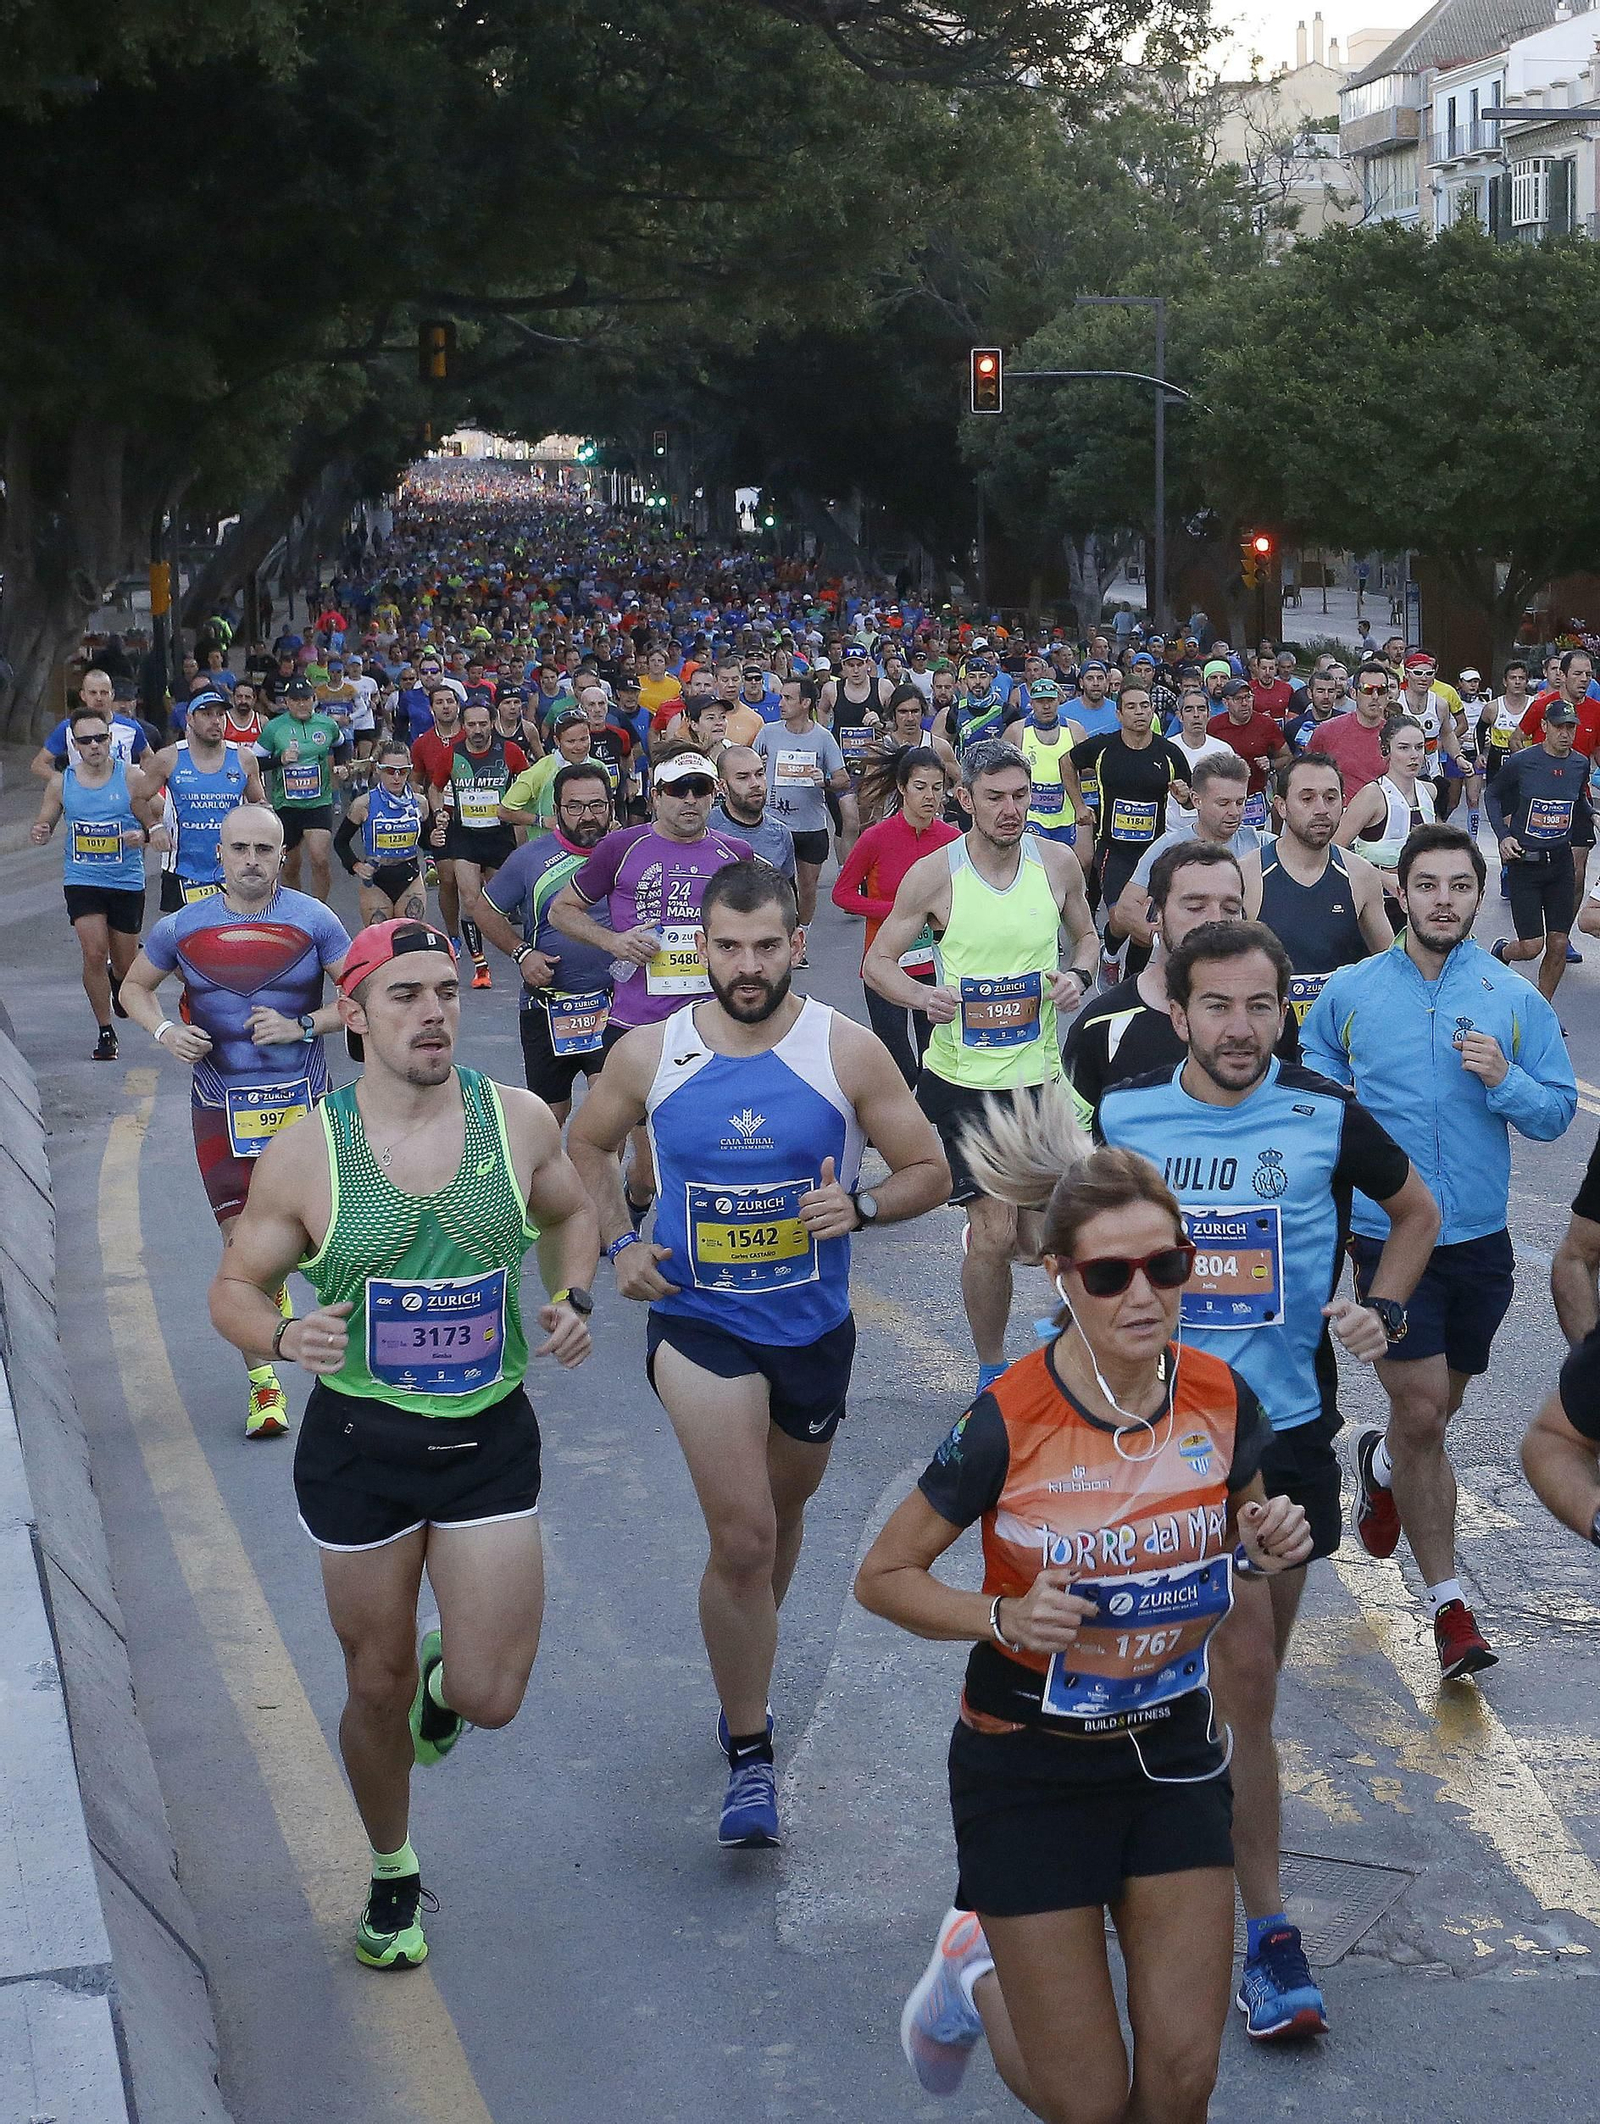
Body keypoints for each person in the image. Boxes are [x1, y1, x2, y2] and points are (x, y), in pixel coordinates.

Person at [855, 1113, 1310, 2117]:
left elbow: (1241, 1526)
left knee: (1182, 2084)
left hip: (1172, 1760)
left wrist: (1263, 1544)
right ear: (1061, 1279)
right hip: (1029, 1766)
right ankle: (972, 1972)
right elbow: (884, 1576)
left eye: (1165, 1266)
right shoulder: (1006, 1419)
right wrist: (1002, 1616)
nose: (1143, 1295)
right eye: (1110, 1277)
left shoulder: (1221, 1399)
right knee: (1094, 2107)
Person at [208, 919, 599, 1971]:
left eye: (444, 991)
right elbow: (234, 1290)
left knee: (490, 1697)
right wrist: (286, 1336)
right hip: (357, 1446)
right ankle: (391, 1870)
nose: (432, 1012)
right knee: (371, 1682)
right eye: (404, 996)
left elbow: (571, 1212)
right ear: (358, 1014)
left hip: (486, 1443)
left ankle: (448, 1689)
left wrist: (570, 1294)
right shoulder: (307, 1150)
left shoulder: (514, 1121)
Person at [1098, 921, 1437, 2039]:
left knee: (1248, 1684)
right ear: (1179, 1011)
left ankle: (1213, 1866)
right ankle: (1271, 1931)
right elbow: (1083, 1257)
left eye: (1259, 1008)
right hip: (1153, 1440)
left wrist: (1380, 1309)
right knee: (1231, 1673)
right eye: (1217, 1008)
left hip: (1280, 1437)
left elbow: (1416, 1212)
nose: (1240, 1030)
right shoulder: (1126, 1113)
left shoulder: (1321, 1114)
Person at [569, 862, 949, 1847]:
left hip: (813, 1331)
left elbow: (929, 1171)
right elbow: (584, 1149)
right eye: (726, 947)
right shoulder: (652, 1053)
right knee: (741, 1537)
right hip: (699, 1325)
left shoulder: (845, 1052)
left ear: (794, 942)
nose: (745, 967)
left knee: (777, 1526)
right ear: (703, 946)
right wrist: (619, 1246)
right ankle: (750, 1752)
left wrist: (857, 1205)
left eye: (765, 946)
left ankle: (749, 1662)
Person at [1301, 825, 1577, 1677]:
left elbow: (1556, 1112)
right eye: (1428, 886)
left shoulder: (1511, 997)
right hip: (1390, 1243)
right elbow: (1309, 1066)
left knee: (1434, 1414)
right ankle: (1450, 1608)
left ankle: (1380, 1466)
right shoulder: (1350, 992)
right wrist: (1338, 1107)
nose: (1445, 900)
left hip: (1481, 1247)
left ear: (1477, 894)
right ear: (1401, 895)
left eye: (1461, 886)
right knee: (1422, 1411)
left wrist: (1505, 1078)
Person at [862, 739, 1097, 1390]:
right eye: (994, 797)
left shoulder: (1056, 864)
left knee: (1048, 1238)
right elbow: (878, 963)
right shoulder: (935, 875)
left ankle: (1067, 1340)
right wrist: (923, 995)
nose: (1011, 809)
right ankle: (994, 1370)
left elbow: (1088, 934)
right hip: (964, 1085)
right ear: (965, 799)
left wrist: (1078, 974)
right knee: (994, 1234)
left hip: (1041, 1084)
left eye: (1021, 796)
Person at [119, 804, 351, 1437]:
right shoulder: (180, 926)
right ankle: (265, 1385)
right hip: (222, 1108)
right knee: (241, 1247)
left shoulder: (315, 920)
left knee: (332, 1242)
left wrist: (303, 1023)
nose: (252, 861)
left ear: (283, 854)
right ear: (219, 854)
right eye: (240, 849)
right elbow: (132, 989)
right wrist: (165, 1028)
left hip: (304, 1109)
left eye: (265, 849)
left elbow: (364, 999)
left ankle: (355, 1373)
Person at [548, 746, 754, 1224]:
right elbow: (562, 911)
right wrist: (614, 942)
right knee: (647, 1165)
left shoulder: (736, 854)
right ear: (655, 796)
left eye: (700, 789)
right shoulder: (621, 848)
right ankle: (637, 1200)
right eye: (677, 790)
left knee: (715, 1140)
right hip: (639, 1025)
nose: (689, 800)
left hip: (712, 1024)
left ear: (713, 795)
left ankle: (706, 1232)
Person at [477, 761, 618, 1124]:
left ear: (611, 807)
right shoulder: (529, 860)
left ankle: (601, 1183)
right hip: (547, 1008)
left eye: (597, 805)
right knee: (549, 1117)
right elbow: (485, 911)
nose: (587, 816)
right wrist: (521, 952)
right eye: (575, 807)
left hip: (615, 1007)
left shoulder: (628, 854)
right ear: (556, 811)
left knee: (607, 1114)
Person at [30, 701, 153, 1061]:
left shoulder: (131, 778)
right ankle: (105, 1031)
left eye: (100, 738)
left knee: (127, 964)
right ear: (75, 744)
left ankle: (120, 977)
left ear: (110, 738)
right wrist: (41, 829)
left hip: (126, 880)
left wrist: (143, 837)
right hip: (83, 879)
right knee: (93, 952)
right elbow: (46, 821)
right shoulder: (60, 782)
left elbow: (158, 820)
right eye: (86, 741)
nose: (94, 746)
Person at [831, 747, 961, 1086]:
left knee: (936, 1058)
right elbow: (841, 893)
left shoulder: (954, 841)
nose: (929, 796)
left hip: (935, 967)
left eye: (937, 787)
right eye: (920, 787)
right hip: (884, 964)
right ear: (902, 788)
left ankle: (929, 1131)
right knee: (898, 1063)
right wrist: (899, 913)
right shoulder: (876, 838)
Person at [1253, 753, 1389, 1022]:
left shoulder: (1360, 875)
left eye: (1330, 798)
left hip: (1338, 1043)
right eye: (1307, 798)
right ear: (1281, 806)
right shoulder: (1248, 875)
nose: (1321, 809)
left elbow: (1390, 965)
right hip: (1268, 1045)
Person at [1107, 752, 1260, 961]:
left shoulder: (1262, 843)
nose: (1234, 812)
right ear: (1197, 800)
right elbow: (1126, 908)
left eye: (1240, 802)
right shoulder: (1170, 846)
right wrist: (1169, 944)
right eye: (1223, 803)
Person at [1488, 698, 1592, 1001]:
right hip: (1525, 863)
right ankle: (1503, 950)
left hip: (1559, 863)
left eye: (1570, 728)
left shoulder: (1579, 763)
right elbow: (1493, 795)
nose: (1565, 734)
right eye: (1559, 727)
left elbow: (1579, 798)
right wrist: (1503, 836)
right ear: (1544, 727)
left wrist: (1592, 814)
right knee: (1531, 946)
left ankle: (1542, 1009)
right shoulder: (1523, 761)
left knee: (1558, 943)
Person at [135, 688, 266, 911]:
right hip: (182, 870)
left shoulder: (244, 758)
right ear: (189, 719)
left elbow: (258, 805)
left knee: (232, 940)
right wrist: (154, 827)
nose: (216, 721)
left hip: (232, 869)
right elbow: (138, 798)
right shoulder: (169, 758)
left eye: (220, 715)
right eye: (206, 714)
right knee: (182, 942)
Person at [430, 699, 529, 989]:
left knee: (500, 902)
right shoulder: (451, 755)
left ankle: (517, 951)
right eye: (471, 724)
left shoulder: (510, 752)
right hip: (465, 835)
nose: (477, 730)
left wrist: (519, 817)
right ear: (463, 725)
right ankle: (480, 965)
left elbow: (526, 783)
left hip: (499, 835)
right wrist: (439, 813)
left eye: (482, 724)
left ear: (492, 723)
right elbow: (435, 789)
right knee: (470, 900)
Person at [755, 677, 856, 954]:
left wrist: (823, 780)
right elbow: (749, 768)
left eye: (788, 698)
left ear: (806, 703)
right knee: (775, 885)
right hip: (775, 824)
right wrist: (759, 770)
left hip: (811, 825)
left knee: (807, 886)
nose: (781, 703)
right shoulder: (768, 733)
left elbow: (843, 779)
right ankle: (778, 939)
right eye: (782, 697)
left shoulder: (823, 737)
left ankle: (803, 938)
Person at [256, 675, 352, 901]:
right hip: (286, 805)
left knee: (320, 859)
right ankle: (297, 909)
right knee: (290, 866)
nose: (302, 704)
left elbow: (342, 745)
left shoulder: (326, 724)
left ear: (314, 699)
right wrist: (279, 760)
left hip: (318, 802)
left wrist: (341, 765)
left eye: (306, 699)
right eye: (296, 700)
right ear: (287, 702)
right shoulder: (274, 728)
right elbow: (253, 761)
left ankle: (320, 910)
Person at [334, 738, 429, 924]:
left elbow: (426, 842)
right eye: (389, 771)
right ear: (378, 769)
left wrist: (435, 839)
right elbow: (340, 842)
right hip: (375, 882)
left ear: (409, 770)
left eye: (402, 771)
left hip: (410, 877)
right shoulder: (363, 804)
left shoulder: (420, 803)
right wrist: (355, 865)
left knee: (410, 939)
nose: (396, 777)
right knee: (379, 943)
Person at [31, 669, 151, 780]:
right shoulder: (68, 728)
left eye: (104, 693)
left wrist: (138, 783)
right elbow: (39, 764)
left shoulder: (131, 728)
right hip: (81, 798)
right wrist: (66, 784)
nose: (98, 698)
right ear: (83, 695)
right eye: (93, 693)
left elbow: (149, 758)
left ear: (112, 695)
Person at [1016, 679, 1091, 854]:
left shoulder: (1074, 729)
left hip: (1067, 813)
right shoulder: (1017, 731)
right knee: (1037, 860)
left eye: (1050, 700)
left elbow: (1091, 767)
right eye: (1040, 702)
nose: (1046, 706)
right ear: (1032, 703)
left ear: (1058, 700)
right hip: (1033, 814)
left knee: (1080, 861)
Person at [1206, 678, 1290, 830]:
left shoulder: (1266, 724)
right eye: (1238, 699)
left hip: (1254, 796)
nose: (1244, 703)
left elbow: (1287, 757)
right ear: (1226, 702)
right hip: (1223, 797)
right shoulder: (1214, 726)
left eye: (1248, 697)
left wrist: (1270, 763)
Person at [709, 745, 798, 882]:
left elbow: (786, 893)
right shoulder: (706, 829)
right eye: (743, 777)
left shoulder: (781, 833)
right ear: (722, 786)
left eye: (759, 774)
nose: (755, 784)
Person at [1313, 662, 1397, 800]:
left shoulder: (1398, 735)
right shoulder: (1327, 731)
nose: (1375, 696)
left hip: (1386, 813)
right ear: (1353, 693)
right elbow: (1308, 773)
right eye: (1368, 689)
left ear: (1387, 694)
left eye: (1381, 690)